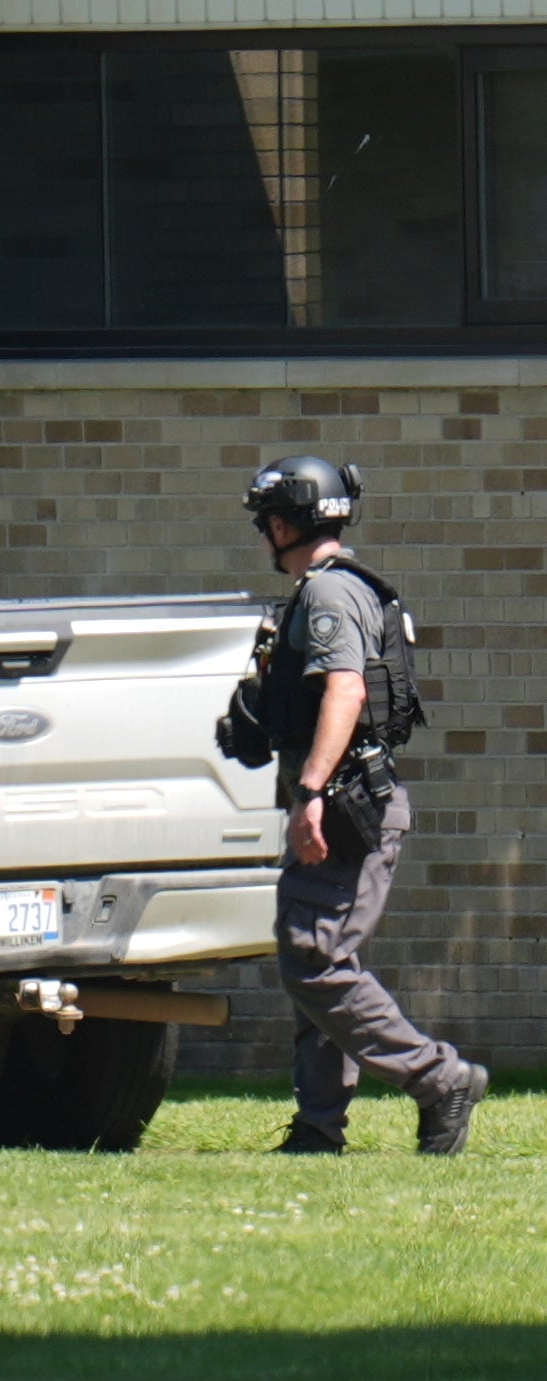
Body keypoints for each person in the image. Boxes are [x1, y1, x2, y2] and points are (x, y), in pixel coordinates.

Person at [220, 456, 486, 1154]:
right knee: (322, 957)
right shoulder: (340, 588)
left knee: (314, 959)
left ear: (283, 523)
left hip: (342, 807)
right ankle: (317, 1126)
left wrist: (308, 791)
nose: (264, 535)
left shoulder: (330, 596)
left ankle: (441, 1078)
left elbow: (347, 691)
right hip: (346, 802)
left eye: (265, 523)